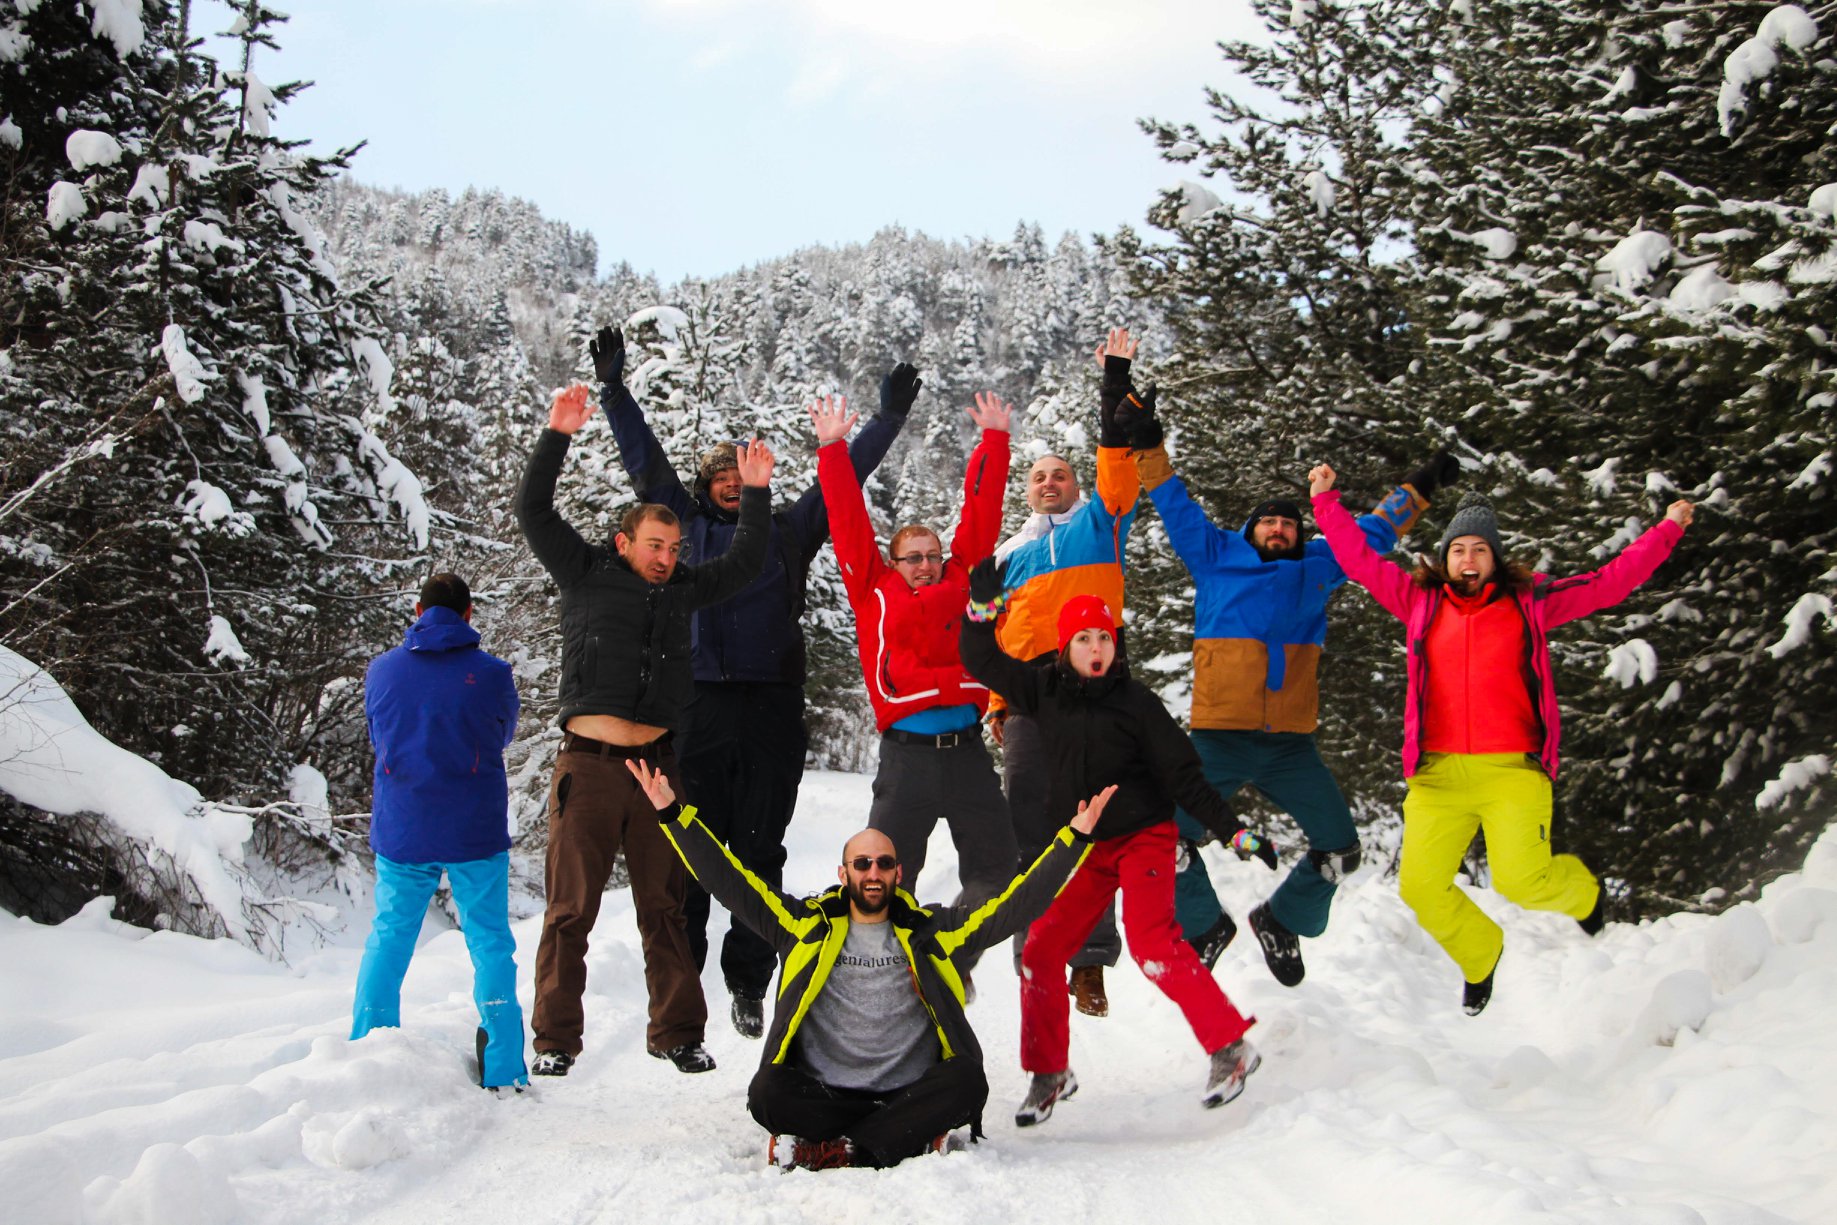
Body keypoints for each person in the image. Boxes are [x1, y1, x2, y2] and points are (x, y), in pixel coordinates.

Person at [598, 326, 915, 1039]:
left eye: (744, 478)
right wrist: (616, 392)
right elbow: (644, 465)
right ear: (707, 485)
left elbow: (845, 478)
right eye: (722, 477)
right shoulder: (684, 531)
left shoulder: (786, 530)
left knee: (759, 847)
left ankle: (747, 980)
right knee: (692, 845)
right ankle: (684, 988)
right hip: (699, 704)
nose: (732, 484)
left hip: (772, 702)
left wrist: (887, 418)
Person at [1309, 466, 1693, 1015]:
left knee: (1524, 882)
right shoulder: (1419, 602)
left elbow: (1611, 581)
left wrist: (1668, 529)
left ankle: (1584, 892)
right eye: (1458, 550)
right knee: (1420, 888)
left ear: (1495, 558)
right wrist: (1325, 502)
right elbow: (1359, 559)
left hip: (1512, 772)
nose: (1467, 559)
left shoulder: (1530, 602)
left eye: (1478, 551)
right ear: (1443, 559)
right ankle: (1480, 950)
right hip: (1439, 778)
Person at [628, 755, 1108, 1170]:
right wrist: (673, 815)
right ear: (844, 873)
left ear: (899, 873)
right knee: (768, 1092)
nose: (873, 873)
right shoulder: (804, 926)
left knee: (966, 1081)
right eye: (862, 864)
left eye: (883, 864)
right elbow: (730, 882)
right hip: (825, 1092)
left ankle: (844, 1147)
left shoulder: (932, 931)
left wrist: (1074, 839)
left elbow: (1014, 907)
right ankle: (895, 1140)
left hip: (909, 1089)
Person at [1125, 398, 1457, 986]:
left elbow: (1379, 528)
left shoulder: (1321, 563)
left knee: (1339, 850)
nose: (1278, 528)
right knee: (1163, 839)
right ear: (1250, 528)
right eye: (1268, 521)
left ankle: (1281, 920)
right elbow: (1172, 499)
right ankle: (1207, 927)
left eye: (1288, 523)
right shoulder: (1215, 553)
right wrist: (1148, 442)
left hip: (1289, 747)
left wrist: (1423, 484)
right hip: (1219, 740)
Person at [515, 381, 775, 1076]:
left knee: (665, 907)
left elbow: (747, 562)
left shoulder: (684, 589)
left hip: (658, 771)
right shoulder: (585, 573)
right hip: (591, 767)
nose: (666, 556)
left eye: (674, 547)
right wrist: (558, 431)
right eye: (655, 545)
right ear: (623, 540)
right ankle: (553, 1040)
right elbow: (533, 509)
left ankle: (678, 1033)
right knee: (571, 910)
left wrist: (753, 492)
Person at [960, 567, 1281, 1122]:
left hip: (1143, 838)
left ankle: (1231, 1048)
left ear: (1115, 644)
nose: (1096, 647)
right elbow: (982, 661)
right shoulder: (1042, 689)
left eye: (1104, 637)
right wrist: (983, 608)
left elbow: (1185, 777)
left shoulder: (1137, 704)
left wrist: (1234, 829)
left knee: (1153, 945)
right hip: (1088, 845)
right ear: (1066, 646)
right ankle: (1048, 1071)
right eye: (1084, 638)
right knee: (1038, 953)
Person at [812, 390, 1017, 959]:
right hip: (907, 759)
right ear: (894, 561)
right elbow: (848, 520)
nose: (926, 564)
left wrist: (995, 441)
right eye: (914, 557)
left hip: (969, 754)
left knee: (999, 873)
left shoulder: (959, 580)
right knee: (882, 879)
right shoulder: (873, 590)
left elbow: (983, 512)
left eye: (932, 554)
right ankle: (889, 974)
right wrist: (832, 449)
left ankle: (949, 953)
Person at [989, 327, 1145, 1017]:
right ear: (1027, 491)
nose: (1049, 483)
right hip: (1025, 707)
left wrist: (1114, 381)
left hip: (1089, 699)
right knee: (1029, 831)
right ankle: (1035, 951)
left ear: (1075, 487)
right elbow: (993, 635)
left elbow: (1118, 469)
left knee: (1093, 827)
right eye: (1038, 477)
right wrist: (996, 704)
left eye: (1060, 475)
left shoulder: (1099, 528)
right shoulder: (1009, 558)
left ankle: (1090, 961)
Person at [352, 573, 527, 1091]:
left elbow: (378, 734)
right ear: (469, 613)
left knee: (390, 936)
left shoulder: (382, 671)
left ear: (417, 609)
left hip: (405, 824)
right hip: (474, 824)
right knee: (490, 941)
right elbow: (504, 733)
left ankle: (370, 1049)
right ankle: (503, 1065)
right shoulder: (492, 673)